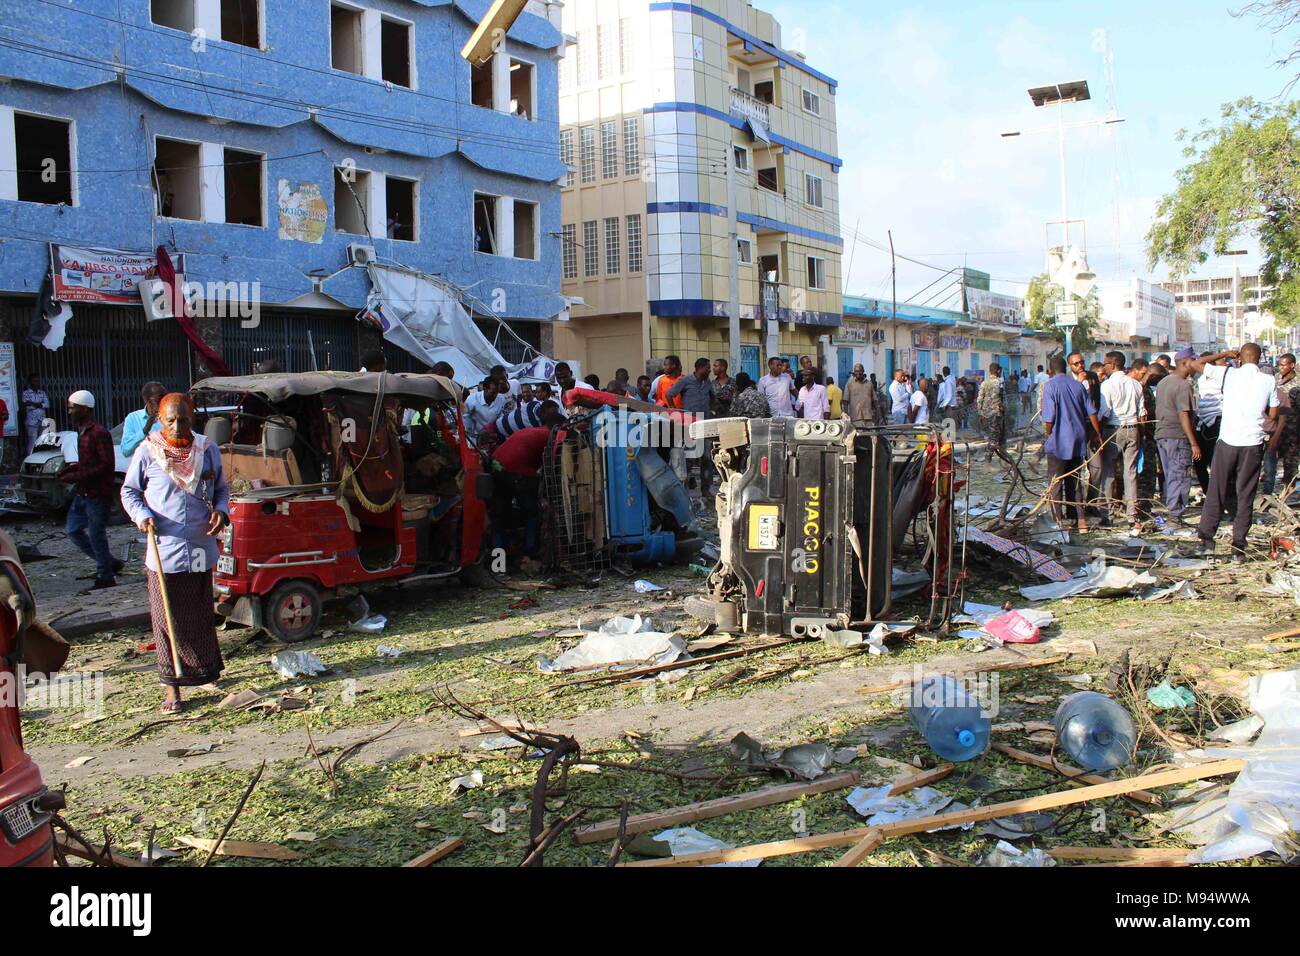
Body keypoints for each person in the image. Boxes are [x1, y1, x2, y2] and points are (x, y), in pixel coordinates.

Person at [120, 394, 229, 713]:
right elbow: (129, 491)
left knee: (199, 615)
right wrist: (142, 516)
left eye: (183, 419)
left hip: (198, 544)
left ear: (192, 417)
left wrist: (221, 511)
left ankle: (206, 672)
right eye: (170, 420)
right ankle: (173, 689)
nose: (177, 426)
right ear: (160, 420)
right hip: (163, 549)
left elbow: (222, 489)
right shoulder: (148, 451)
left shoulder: (207, 449)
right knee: (167, 620)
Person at [1195, 344, 1277, 562]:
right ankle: (1238, 547)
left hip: (1228, 441)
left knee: (1217, 490)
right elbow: (1274, 412)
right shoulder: (1268, 380)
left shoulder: (1228, 373)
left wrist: (1223, 354)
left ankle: (1206, 542)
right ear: (1259, 359)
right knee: (1245, 494)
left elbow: (1195, 363)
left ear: (1239, 357)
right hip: (1253, 443)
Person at [58, 390, 122, 590]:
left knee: (96, 534)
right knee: (73, 530)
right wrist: (72, 469)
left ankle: (106, 576)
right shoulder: (82, 431)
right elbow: (88, 463)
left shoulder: (99, 433)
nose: (69, 412)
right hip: (83, 492)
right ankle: (109, 563)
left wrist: (77, 475)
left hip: (97, 493)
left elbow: (106, 465)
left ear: (84, 409)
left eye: (72, 408)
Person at [489, 401, 563, 559]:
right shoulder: (551, 436)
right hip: (516, 473)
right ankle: (531, 552)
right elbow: (550, 468)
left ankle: (499, 561)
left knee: (499, 515)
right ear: (558, 427)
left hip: (496, 468)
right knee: (532, 512)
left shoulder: (531, 431)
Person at [1041, 355, 1102, 533]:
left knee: (1055, 482)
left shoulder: (1050, 386)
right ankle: (1081, 521)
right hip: (1077, 440)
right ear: (1066, 368)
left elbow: (1049, 417)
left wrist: (1048, 434)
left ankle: (1058, 522)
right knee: (1075, 482)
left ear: (1050, 370)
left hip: (1058, 442)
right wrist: (1098, 434)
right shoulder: (1077, 385)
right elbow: (1092, 412)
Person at [1153, 348, 1202, 524]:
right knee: (1180, 474)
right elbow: (1184, 415)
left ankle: (1172, 508)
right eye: (1194, 363)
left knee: (1170, 474)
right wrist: (1193, 442)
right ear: (1185, 363)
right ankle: (1175, 514)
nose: (1196, 367)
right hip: (1178, 436)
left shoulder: (1164, 382)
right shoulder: (1183, 385)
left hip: (1162, 434)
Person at [1099, 351, 1146, 535]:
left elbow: (1104, 411)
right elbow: (1143, 413)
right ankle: (1132, 516)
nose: (1104, 367)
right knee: (1131, 472)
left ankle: (1107, 514)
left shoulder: (1108, 385)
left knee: (1108, 473)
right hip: (1133, 428)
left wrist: (1098, 434)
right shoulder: (1136, 384)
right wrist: (1141, 435)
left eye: (1106, 364)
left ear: (1113, 364)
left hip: (1113, 429)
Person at [1193, 351, 1230, 493]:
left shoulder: (1222, 378)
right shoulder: (1200, 379)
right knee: (1199, 462)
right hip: (1201, 423)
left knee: (1216, 463)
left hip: (1217, 422)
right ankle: (1208, 492)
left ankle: (1220, 494)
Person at [1273, 353, 1300, 492]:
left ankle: (1289, 487)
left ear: (1292, 365)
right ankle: (1269, 488)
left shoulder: (1298, 382)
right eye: (1280, 365)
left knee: (1291, 459)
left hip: (1293, 427)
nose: (1281, 368)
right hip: (1276, 425)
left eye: (1284, 365)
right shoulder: (1276, 378)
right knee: (1272, 457)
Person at [120, 382, 167, 457]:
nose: (164, 402)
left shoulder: (172, 417)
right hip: (143, 467)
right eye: (159, 399)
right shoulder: (133, 418)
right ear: (148, 401)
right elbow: (125, 450)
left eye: (166, 399)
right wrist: (145, 429)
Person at [464, 377, 508, 442]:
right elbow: (465, 417)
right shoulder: (472, 400)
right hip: (474, 438)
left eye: (497, 392)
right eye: (492, 393)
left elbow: (500, 418)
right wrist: (470, 432)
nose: (495, 396)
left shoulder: (501, 399)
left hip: (492, 438)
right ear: (484, 389)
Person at [977, 364, 1007, 462]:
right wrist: (1002, 407)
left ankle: (1004, 460)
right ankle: (987, 461)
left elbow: (980, 399)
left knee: (998, 436)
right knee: (995, 438)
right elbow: (999, 397)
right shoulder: (999, 382)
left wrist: (980, 413)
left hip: (987, 413)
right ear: (998, 371)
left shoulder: (984, 383)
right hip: (996, 413)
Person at [21, 373, 49, 457]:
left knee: (42, 442)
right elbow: (28, 406)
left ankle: (41, 460)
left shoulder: (42, 393)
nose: (36, 383)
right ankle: (30, 461)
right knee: (32, 442)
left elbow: (47, 404)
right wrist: (40, 404)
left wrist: (34, 404)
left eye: (37, 381)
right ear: (30, 382)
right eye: (34, 381)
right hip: (31, 422)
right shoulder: (26, 393)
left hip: (42, 420)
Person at [843, 364, 876, 428]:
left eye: (860, 371)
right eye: (856, 371)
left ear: (863, 371)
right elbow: (845, 402)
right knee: (858, 437)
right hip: (855, 418)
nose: (858, 373)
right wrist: (846, 416)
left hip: (868, 417)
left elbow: (875, 400)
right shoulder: (849, 384)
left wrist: (878, 414)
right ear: (854, 372)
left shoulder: (869, 384)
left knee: (870, 436)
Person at [936, 366, 957, 432]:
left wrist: (944, 405)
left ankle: (949, 439)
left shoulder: (948, 381)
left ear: (944, 372)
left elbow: (949, 394)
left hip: (949, 406)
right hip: (952, 405)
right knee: (950, 423)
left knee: (948, 424)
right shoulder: (952, 379)